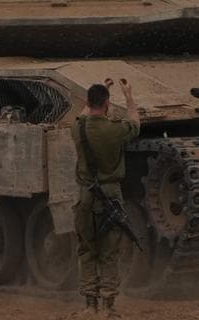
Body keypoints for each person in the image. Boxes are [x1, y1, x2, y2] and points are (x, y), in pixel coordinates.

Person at [72, 78, 140, 317]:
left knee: (87, 250)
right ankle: (108, 307)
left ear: (89, 102)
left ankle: (90, 306)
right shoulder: (114, 130)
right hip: (110, 196)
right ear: (108, 104)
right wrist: (129, 96)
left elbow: (83, 114)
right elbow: (135, 123)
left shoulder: (78, 128)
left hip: (85, 197)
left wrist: (102, 90)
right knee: (109, 252)